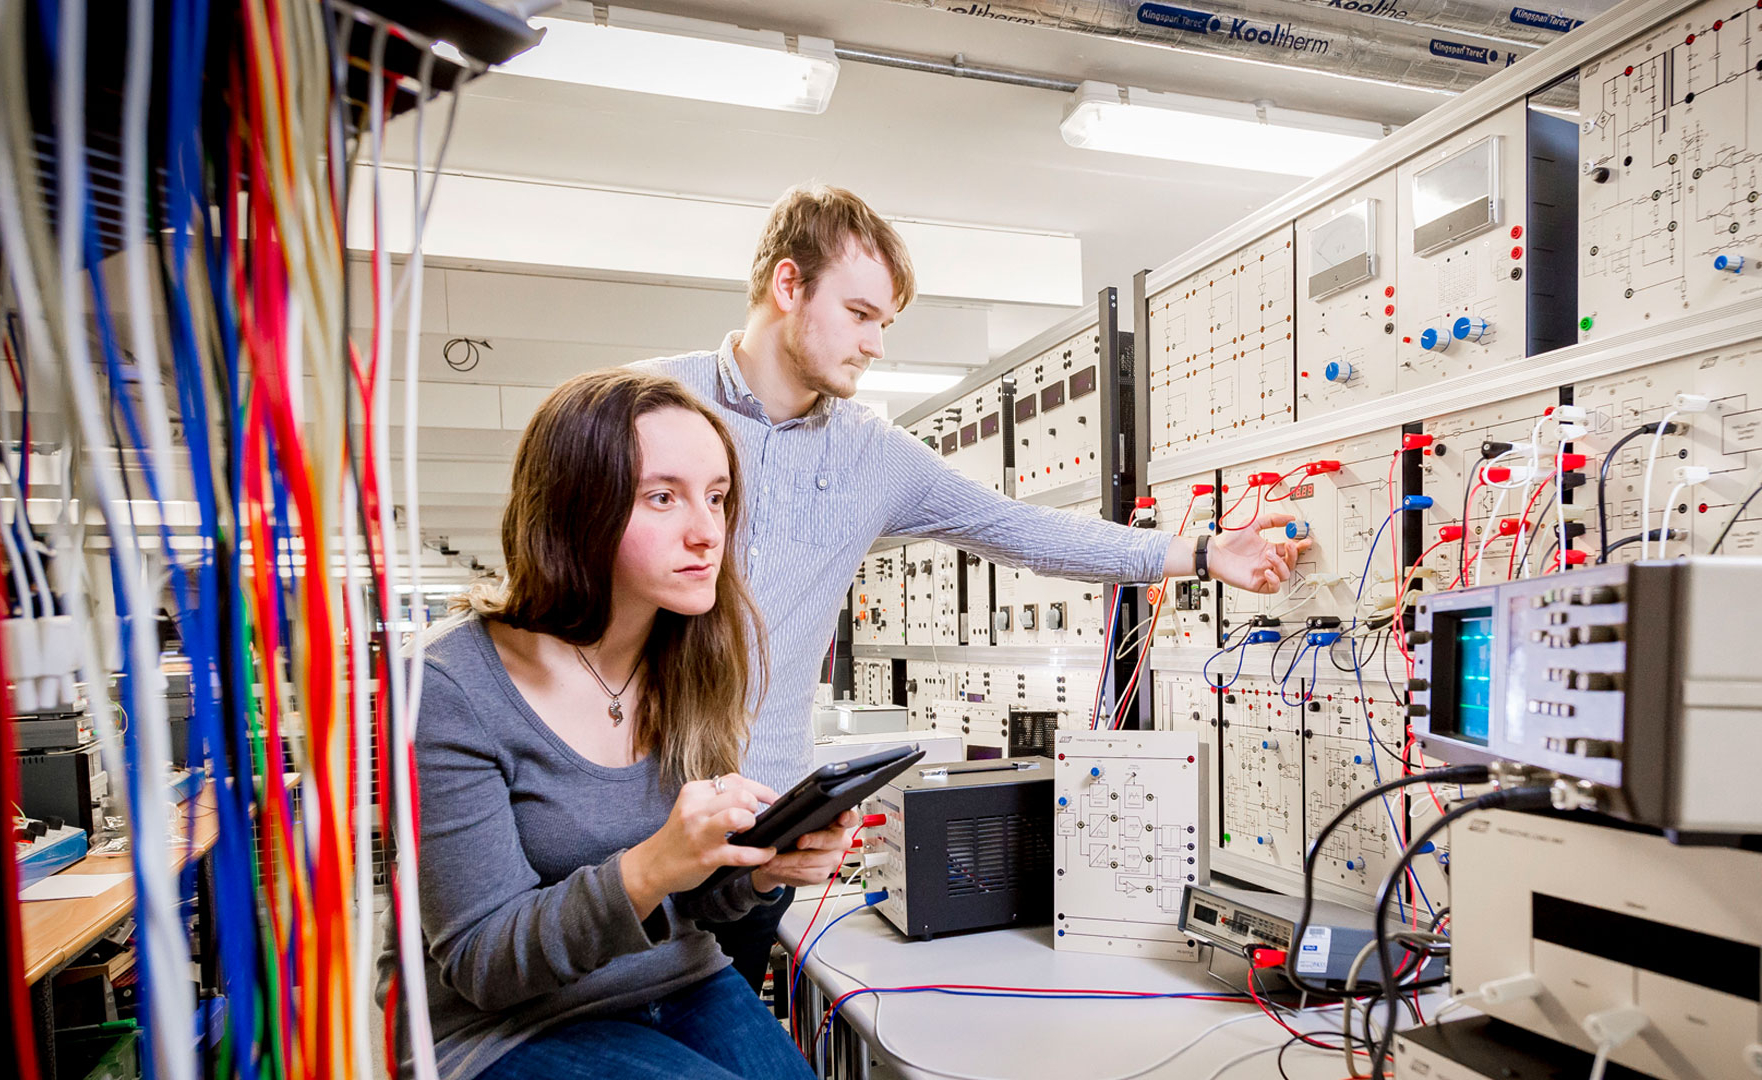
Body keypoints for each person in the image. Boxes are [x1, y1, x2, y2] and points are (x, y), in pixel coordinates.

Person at [635, 183, 1308, 988]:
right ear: (788, 287)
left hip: (760, 836)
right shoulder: (646, 404)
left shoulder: (874, 457)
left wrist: (1200, 552)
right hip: (627, 817)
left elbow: (1028, 531)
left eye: (886, 323)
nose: (876, 344)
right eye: (860, 314)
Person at [383, 369, 846, 1080]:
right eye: (662, 497)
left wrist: (758, 872)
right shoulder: (447, 685)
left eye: (717, 498)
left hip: (677, 978)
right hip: (501, 1025)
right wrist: (654, 862)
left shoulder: (691, 653)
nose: (705, 532)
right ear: (574, 508)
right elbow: (481, 961)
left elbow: (691, 902)